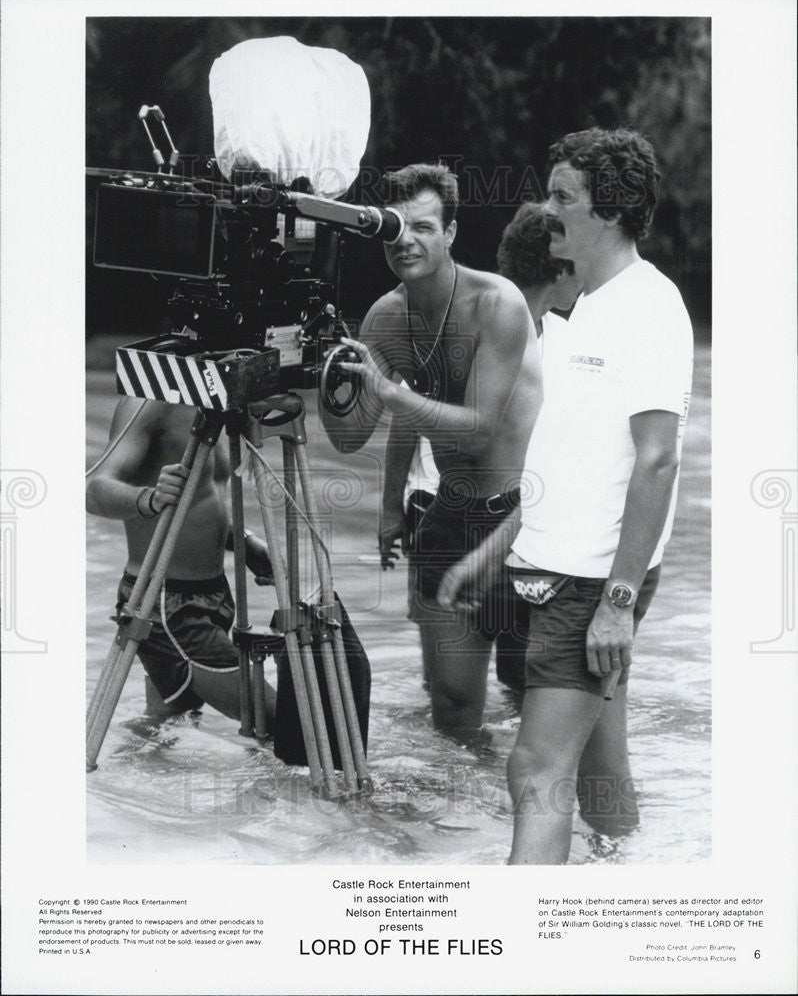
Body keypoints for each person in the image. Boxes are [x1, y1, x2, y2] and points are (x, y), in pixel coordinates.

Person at [438, 128, 693, 863]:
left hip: (590, 583)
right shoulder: (582, 306)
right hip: (562, 571)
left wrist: (616, 600)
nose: (546, 210)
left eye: (562, 197)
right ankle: (628, 887)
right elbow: (569, 463)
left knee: (535, 768)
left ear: (608, 212)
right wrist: (497, 552)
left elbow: (656, 461)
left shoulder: (651, 307)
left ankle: (524, 953)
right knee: (600, 775)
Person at [320, 162, 542, 741]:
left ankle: (522, 817)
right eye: (396, 228)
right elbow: (348, 436)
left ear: (450, 233)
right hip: (449, 516)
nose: (407, 241)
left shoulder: (498, 304)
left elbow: (477, 430)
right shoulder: (386, 317)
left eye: (423, 226)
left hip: (525, 522)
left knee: (533, 703)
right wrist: (329, 374)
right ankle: (454, 828)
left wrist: (390, 390)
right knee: (452, 710)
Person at [379, 202, 582, 696]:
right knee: (460, 688)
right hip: (452, 508)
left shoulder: (559, 338)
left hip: (511, 517)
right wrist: (390, 510)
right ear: (561, 268)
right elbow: (408, 415)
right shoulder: (477, 317)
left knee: (508, 683)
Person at [86, 398, 276, 726]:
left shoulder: (223, 399)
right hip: (167, 604)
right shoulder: (150, 402)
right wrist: (149, 499)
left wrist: (244, 541)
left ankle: (114, 776)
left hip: (211, 594)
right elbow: (93, 490)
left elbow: (201, 498)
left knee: (169, 721)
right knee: (282, 725)